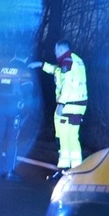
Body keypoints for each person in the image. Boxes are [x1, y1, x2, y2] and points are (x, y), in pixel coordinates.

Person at [28, 40, 88, 180]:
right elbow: (56, 71)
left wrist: (61, 104)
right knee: (72, 138)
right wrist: (41, 65)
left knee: (64, 138)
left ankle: (63, 171)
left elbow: (67, 83)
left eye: (56, 50)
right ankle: (75, 171)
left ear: (61, 49)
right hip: (78, 105)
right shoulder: (75, 60)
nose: (55, 53)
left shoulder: (67, 61)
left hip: (68, 105)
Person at [0, 52, 34, 180]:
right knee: (12, 141)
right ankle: (9, 171)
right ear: (25, 57)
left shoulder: (2, 67)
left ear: (15, 55)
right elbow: (28, 92)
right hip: (15, 108)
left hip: (0, 107)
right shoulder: (23, 69)